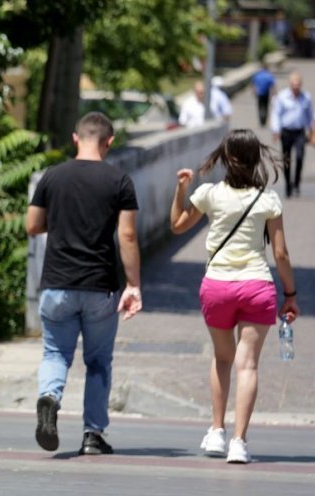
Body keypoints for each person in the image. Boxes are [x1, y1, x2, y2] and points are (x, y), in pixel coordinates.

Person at [170, 129, 299, 464]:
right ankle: (239, 442)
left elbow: (177, 226)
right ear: (257, 158)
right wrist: (291, 294)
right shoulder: (268, 199)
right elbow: (281, 254)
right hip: (257, 287)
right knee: (248, 364)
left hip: (217, 287)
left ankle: (216, 431)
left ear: (225, 158)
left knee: (222, 358)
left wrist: (181, 190)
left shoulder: (210, 194)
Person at [26, 112, 142, 456]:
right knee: (98, 362)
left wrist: (62, 224)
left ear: (76, 138)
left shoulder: (53, 176)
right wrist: (133, 284)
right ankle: (92, 433)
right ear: (109, 142)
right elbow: (128, 235)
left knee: (54, 353)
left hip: (56, 284)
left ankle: (49, 397)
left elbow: (32, 225)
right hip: (100, 286)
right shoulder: (119, 180)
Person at [270, 71, 313, 198]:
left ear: (301, 85)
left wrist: (312, 132)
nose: (296, 87)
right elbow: (276, 114)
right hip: (286, 131)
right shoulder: (282, 97)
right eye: (294, 84)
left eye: (298, 84)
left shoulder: (306, 97)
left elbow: (310, 116)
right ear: (290, 84)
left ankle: (297, 184)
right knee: (286, 159)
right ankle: (288, 185)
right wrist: (276, 130)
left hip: (300, 131)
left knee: (300, 157)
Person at [251, 61, 276, 127]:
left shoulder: (258, 75)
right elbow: (272, 85)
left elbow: (253, 83)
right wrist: (273, 93)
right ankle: (264, 120)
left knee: (260, 107)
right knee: (266, 107)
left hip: (259, 93)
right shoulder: (269, 75)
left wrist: (254, 91)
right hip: (266, 93)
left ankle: (261, 119)